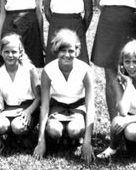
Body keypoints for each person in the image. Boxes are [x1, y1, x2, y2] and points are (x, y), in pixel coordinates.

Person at [33, 29, 95, 164]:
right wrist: (41, 140)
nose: (67, 55)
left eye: (71, 51)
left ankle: (73, 136)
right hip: (57, 107)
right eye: (63, 50)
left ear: (77, 51)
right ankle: (61, 136)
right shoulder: (48, 70)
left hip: (77, 107)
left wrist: (87, 141)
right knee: (54, 131)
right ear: (56, 50)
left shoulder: (86, 70)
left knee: (75, 130)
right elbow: (44, 106)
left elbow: (90, 106)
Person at [0, 33, 41, 153]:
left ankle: (23, 134)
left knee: (18, 127)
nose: (10, 55)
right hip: (9, 109)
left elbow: (39, 97)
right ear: (1, 53)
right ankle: (13, 136)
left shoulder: (29, 69)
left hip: (29, 108)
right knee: (0, 125)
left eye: (14, 52)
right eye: (6, 52)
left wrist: (28, 111)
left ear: (20, 52)